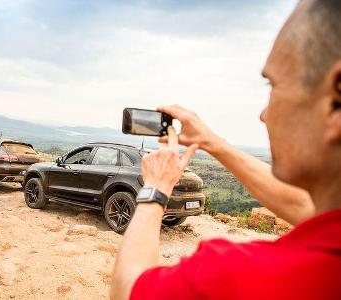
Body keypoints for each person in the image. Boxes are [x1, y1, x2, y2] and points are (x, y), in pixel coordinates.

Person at [111, 0, 341, 299]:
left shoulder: (233, 277)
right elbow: (306, 210)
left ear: (335, 101)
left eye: (273, 85)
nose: (264, 114)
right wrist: (211, 141)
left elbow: (127, 289)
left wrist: (156, 187)